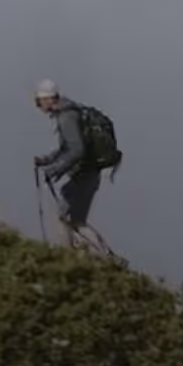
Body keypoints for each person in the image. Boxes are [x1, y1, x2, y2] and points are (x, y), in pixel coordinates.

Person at [32, 79, 111, 253]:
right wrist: (46, 160)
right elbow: (66, 148)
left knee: (63, 217)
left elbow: (77, 149)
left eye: (39, 101)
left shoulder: (66, 116)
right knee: (77, 220)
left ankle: (67, 256)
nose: (39, 106)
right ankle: (103, 256)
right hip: (89, 173)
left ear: (48, 99)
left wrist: (55, 169)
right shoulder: (70, 112)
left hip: (83, 175)